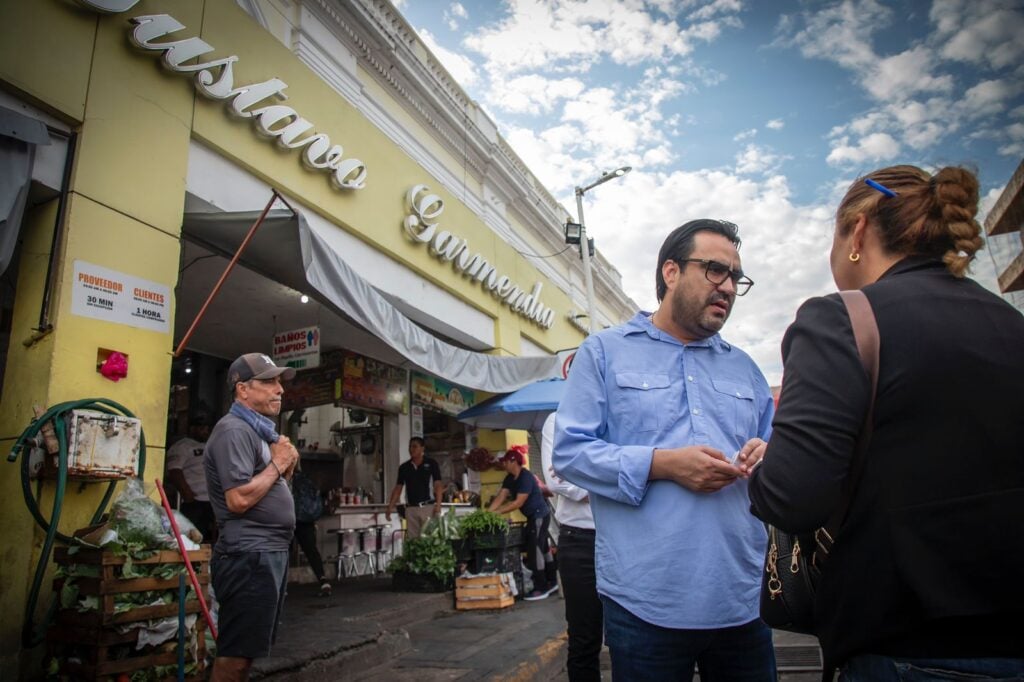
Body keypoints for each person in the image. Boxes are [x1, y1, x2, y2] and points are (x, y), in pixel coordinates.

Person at [747, 165, 1024, 681]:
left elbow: (792, 496)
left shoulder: (839, 320)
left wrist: (769, 467)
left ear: (856, 231)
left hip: (904, 645)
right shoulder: (1010, 321)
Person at [554, 218, 776, 681]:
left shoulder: (747, 370)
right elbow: (571, 453)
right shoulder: (603, 353)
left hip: (742, 597)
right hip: (644, 602)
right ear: (670, 272)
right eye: (716, 269)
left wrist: (768, 455)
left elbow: (777, 455)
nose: (729, 287)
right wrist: (662, 464)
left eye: (736, 277)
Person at [205, 353, 299, 682]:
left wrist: (283, 463)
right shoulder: (233, 430)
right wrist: (277, 463)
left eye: (279, 382)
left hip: (264, 553)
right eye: (269, 382)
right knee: (236, 656)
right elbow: (238, 499)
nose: (280, 390)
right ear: (243, 389)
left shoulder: (257, 431)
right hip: (248, 555)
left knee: (246, 654)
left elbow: (265, 489)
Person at [540, 412, 601, 680]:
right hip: (580, 541)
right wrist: (612, 487)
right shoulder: (558, 420)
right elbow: (558, 479)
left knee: (632, 637)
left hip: (626, 538)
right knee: (584, 638)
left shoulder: (621, 415)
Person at [489, 445, 557, 601]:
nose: (503, 464)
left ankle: (541, 586)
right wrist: (488, 513)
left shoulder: (526, 477)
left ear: (514, 461)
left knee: (536, 550)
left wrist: (498, 512)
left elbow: (518, 502)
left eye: (505, 461)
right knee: (544, 548)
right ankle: (552, 581)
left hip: (539, 515)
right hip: (533, 517)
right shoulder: (509, 479)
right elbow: (501, 496)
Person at [165, 413, 215, 543]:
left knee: (211, 536)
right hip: (194, 502)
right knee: (193, 537)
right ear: (192, 429)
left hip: (212, 500)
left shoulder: (211, 445)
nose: (205, 431)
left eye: (207, 428)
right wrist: (188, 496)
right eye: (202, 427)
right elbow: (175, 471)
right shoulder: (182, 446)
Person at [385, 437, 443, 539]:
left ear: (422, 448)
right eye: (410, 447)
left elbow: (438, 485)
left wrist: (438, 504)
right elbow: (398, 488)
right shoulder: (404, 467)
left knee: (429, 541)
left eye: (414, 446)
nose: (411, 449)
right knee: (413, 542)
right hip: (411, 509)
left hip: (427, 508)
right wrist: (390, 506)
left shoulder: (431, 463)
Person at [291, 466, 331, 597]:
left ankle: (280, 586)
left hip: (289, 518)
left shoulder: (283, 478)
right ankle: (323, 580)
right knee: (312, 551)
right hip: (306, 520)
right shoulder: (305, 478)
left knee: (283, 551)